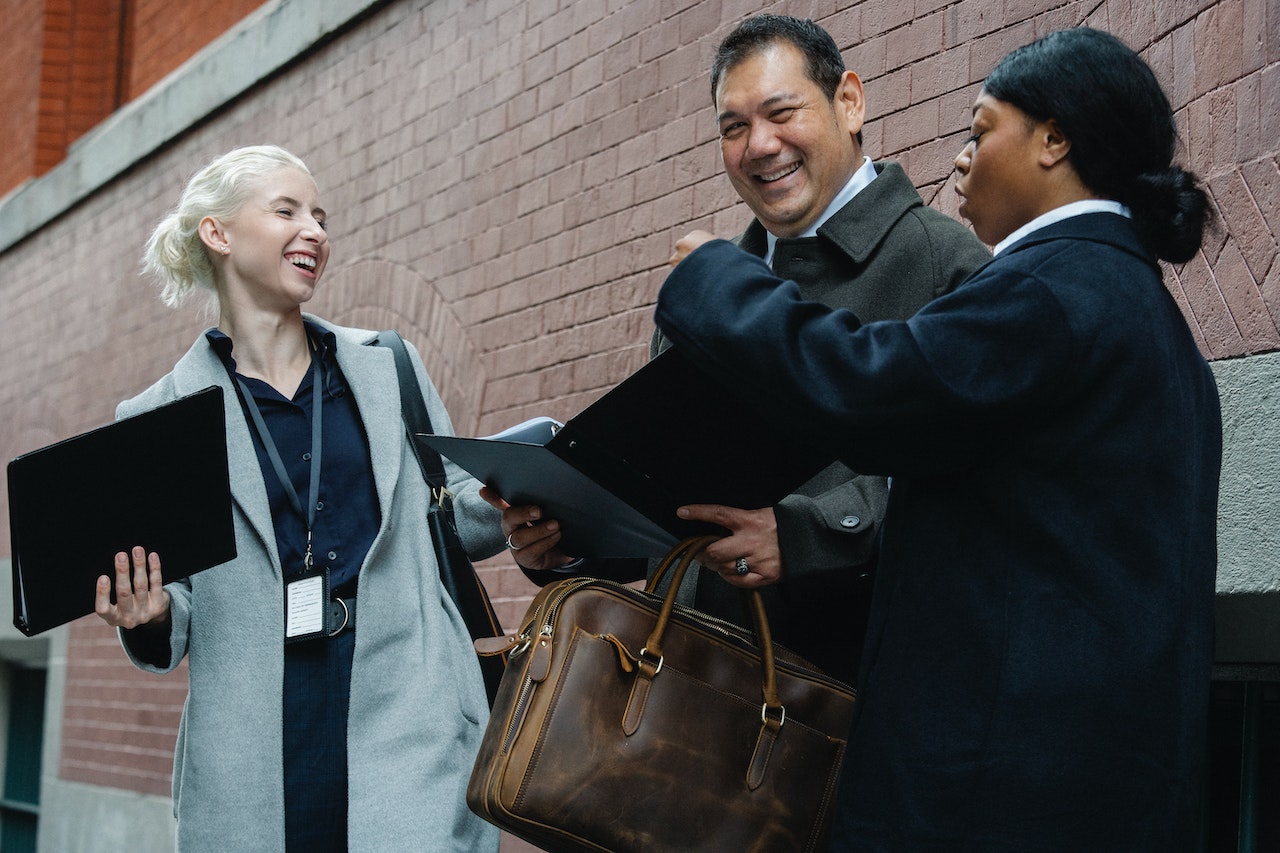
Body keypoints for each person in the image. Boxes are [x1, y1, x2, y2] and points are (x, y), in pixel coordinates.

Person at [653, 27, 1219, 852]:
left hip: (996, 794)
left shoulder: (1051, 291)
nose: (958, 158)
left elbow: (871, 386)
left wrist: (716, 281)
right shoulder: (1141, 312)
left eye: (982, 130)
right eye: (732, 126)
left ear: (1054, 140)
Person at [494, 14, 989, 688]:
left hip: (865, 707)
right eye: (733, 127)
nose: (759, 145)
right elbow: (669, 508)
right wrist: (564, 543)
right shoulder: (707, 288)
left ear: (849, 101)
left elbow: (979, 473)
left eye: (781, 113)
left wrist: (805, 534)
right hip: (698, 709)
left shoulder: (941, 261)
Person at [93, 145, 505, 852]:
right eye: (286, 210)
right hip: (255, 738)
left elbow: (449, 510)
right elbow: (177, 604)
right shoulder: (158, 416)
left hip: (411, 710)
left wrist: (516, 496)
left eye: (319, 215)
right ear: (218, 235)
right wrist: (150, 614)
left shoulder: (388, 366)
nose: (314, 229)